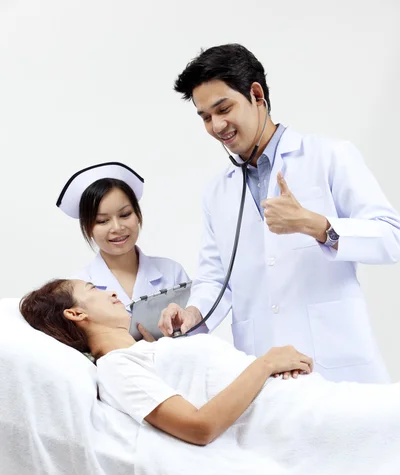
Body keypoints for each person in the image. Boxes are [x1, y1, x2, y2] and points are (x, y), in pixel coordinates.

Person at [158, 43, 400, 384]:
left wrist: (315, 225)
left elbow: (391, 236)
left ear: (257, 95)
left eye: (223, 108)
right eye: (205, 117)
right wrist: (193, 313)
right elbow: (216, 278)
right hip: (264, 369)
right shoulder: (218, 191)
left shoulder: (329, 156)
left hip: (336, 364)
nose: (216, 126)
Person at [19, 278, 398, 447]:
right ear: (74, 314)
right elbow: (199, 428)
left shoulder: (147, 349)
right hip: (287, 419)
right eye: (94, 290)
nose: (111, 292)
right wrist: (265, 364)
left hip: (302, 401)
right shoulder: (114, 368)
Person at [56, 161, 189, 309]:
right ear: (88, 227)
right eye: (102, 221)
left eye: (125, 215)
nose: (117, 228)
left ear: (138, 215)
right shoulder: (78, 288)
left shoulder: (172, 273)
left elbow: (197, 329)